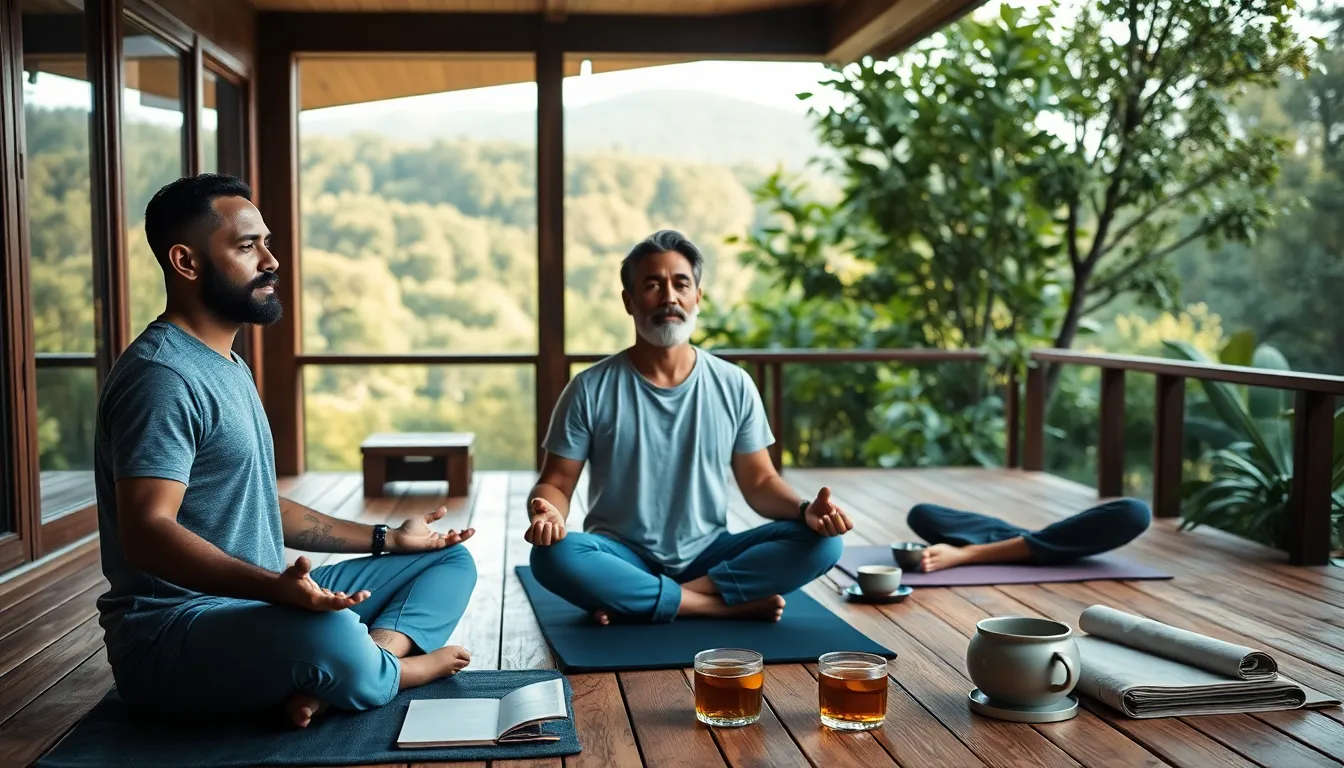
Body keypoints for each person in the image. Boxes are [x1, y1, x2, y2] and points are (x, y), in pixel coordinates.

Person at [94, 174, 478, 728]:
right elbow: (147, 532)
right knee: (332, 632)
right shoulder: (162, 377)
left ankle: (364, 663)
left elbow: (256, 506)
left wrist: (388, 539)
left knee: (446, 559)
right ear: (186, 262)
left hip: (262, 605)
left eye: (267, 243)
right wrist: (275, 589)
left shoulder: (226, 363)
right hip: (175, 634)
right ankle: (391, 670)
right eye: (247, 246)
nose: (271, 261)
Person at [525, 230, 853, 625]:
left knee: (824, 544)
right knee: (553, 555)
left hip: (709, 553)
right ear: (629, 301)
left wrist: (804, 510)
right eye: (652, 285)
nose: (669, 297)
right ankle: (714, 605)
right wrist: (548, 515)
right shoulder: (588, 388)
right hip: (621, 555)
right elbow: (557, 483)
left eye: (681, 284)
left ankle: (645, 598)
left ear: (698, 296)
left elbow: (760, 482)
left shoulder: (734, 383)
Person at [907, 499, 1152, 572]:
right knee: (921, 514)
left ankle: (980, 551)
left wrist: (963, 555)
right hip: (1042, 537)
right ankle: (1029, 541)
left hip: (975, 550)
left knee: (1135, 512)